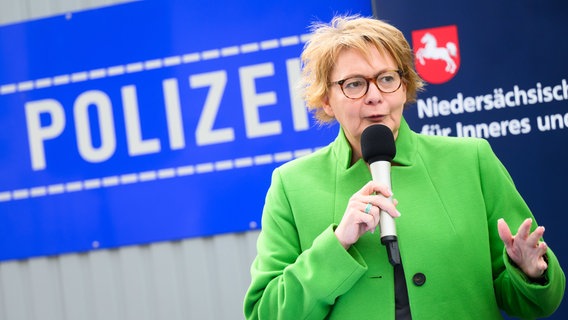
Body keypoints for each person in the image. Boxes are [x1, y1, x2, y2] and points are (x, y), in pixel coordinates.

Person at [243, 15, 565, 319]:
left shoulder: (471, 160)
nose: (374, 96)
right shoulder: (292, 184)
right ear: (326, 99)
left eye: (386, 79)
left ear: (405, 86)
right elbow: (266, 312)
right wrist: (337, 243)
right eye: (354, 84)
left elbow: (533, 302)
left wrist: (528, 271)